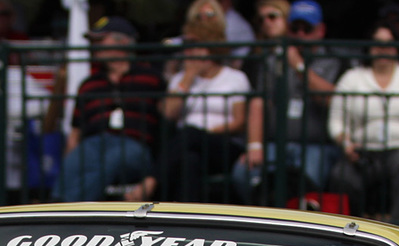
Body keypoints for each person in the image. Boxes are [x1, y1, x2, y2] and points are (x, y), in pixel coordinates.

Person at [233, 0, 343, 204]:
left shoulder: (334, 60)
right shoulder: (272, 59)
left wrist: (298, 67)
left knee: (307, 181)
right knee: (243, 173)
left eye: (307, 29)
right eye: (295, 29)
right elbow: (259, 101)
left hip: (315, 146)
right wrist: (255, 145)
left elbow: (332, 99)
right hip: (275, 144)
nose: (300, 35)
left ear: (320, 30)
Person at [326, 24, 399, 221]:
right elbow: (337, 120)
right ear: (369, 47)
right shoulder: (352, 78)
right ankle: (358, 230)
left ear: (397, 47)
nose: (383, 49)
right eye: (377, 44)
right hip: (365, 151)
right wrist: (346, 144)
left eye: (389, 44)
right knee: (341, 175)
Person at [51, 16, 162, 202]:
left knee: (113, 159)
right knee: (77, 159)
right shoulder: (89, 84)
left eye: (101, 40)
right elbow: (75, 134)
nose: (95, 46)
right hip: (95, 142)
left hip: (135, 145)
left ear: (124, 42)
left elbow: (165, 124)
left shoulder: (151, 78)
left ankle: (72, 209)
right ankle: (54, 205)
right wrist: (69, 158)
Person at [154, 16, 249, 201]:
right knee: (190, 161)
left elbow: (239, 122)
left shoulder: (235, 78)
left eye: (195, 45)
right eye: (187, 46)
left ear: (211, 48)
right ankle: (184, 217)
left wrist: (205, 133)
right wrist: (188, 77)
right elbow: (168, 113)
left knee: (191, 134)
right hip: (187, 147)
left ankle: (151, 181)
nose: (189, 52)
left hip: (222, 144)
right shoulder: (180, 79)